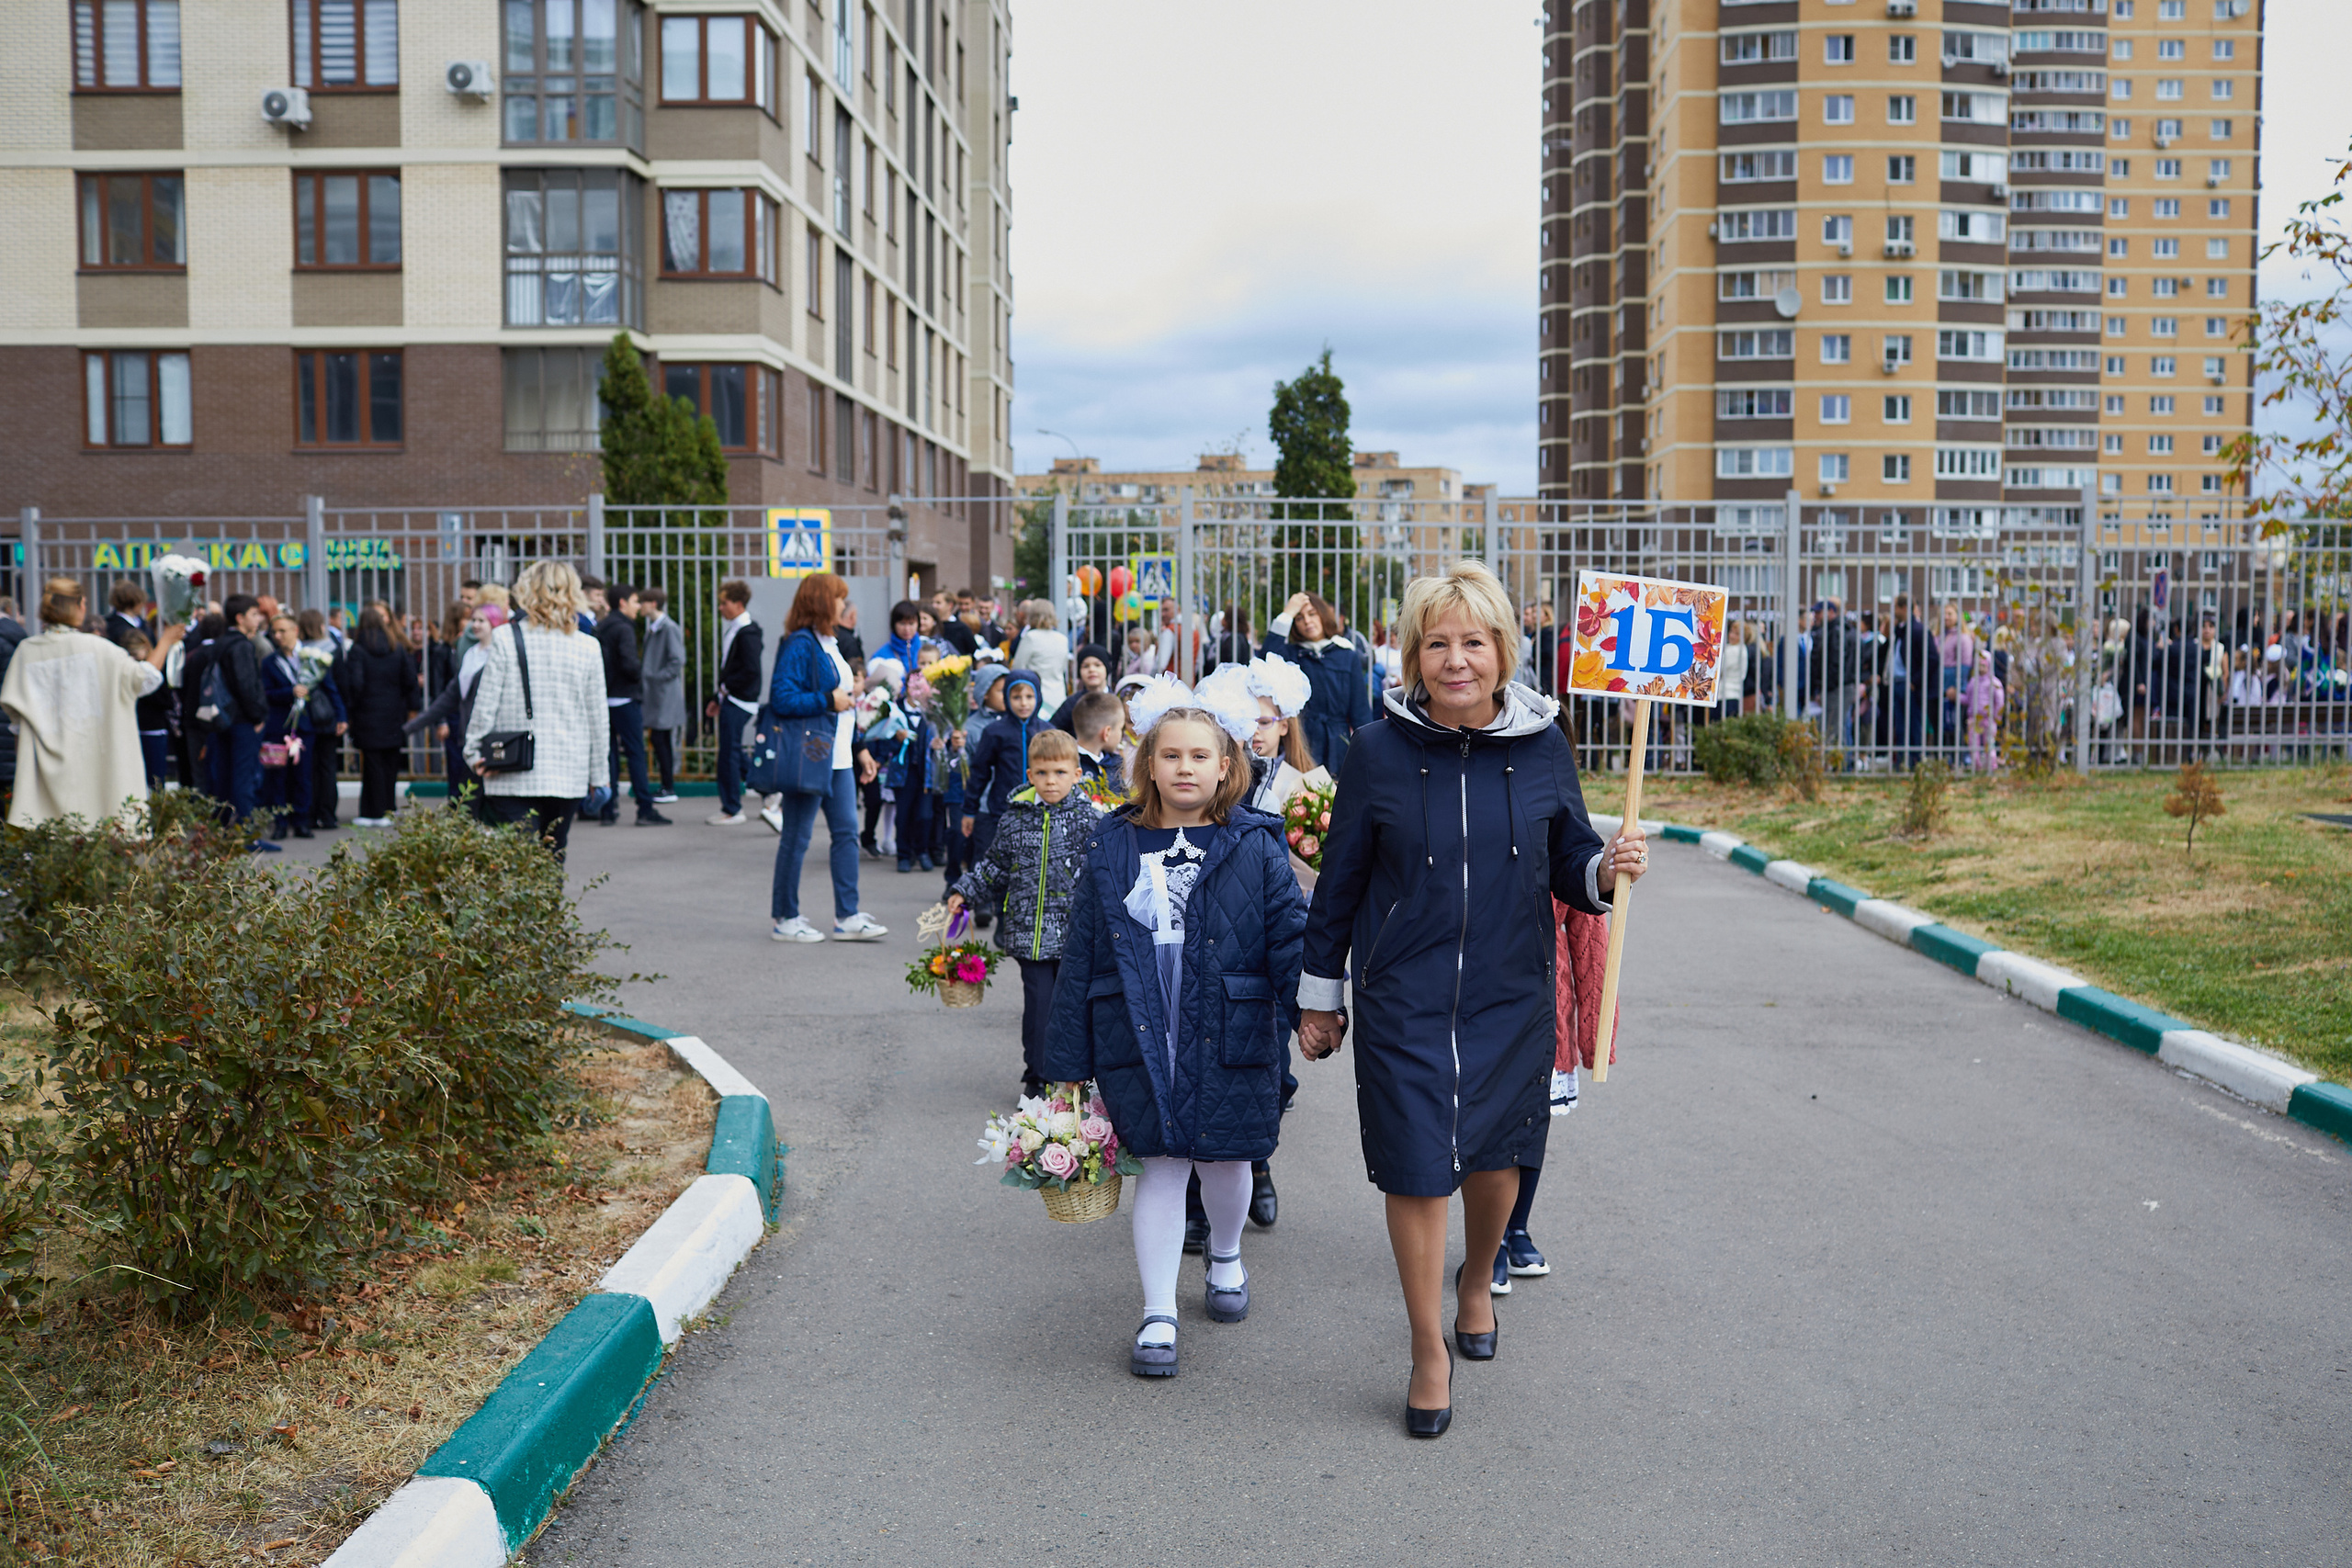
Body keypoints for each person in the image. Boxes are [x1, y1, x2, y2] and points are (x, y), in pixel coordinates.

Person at [1294, 559, 1645, 1438]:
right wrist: (1319, 994)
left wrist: (1605, 867)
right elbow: (1339, 885)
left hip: (1509, 990)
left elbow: (1570, 856)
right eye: (1439, 642)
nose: (1458, 660)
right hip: (1401, 997)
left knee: (1496, 1159)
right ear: (1413, 654)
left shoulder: (1542, 745)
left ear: (1503, 652)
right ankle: (1425, 1348)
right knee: (1415, 1164)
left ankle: (1476, 1275)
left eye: (1475, 642)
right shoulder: (1375, 751)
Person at [1039, 676, 1307, 1379]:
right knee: (1160, 1162)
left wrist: (1314, 1012)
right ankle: (1159, 1308)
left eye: (1200, 755)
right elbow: (1083, 951)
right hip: (1139, 1023)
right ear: (1147, 762)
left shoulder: (1255, 841)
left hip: (1233, 1024)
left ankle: (1225, 1255)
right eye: (1171, 755)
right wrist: (1063, 1059)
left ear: (1227, 766)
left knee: (1225, 1156)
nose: (1184, 767)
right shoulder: (1111, 844)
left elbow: (1288, 936)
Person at [948, 727, 1107, 1096]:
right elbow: (995, 866)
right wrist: (965, 891)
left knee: (1071, 1010)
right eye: (1043, 773)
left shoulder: (1090, 821)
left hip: (1074, 940)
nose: (1051, 782)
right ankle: (1036, 1075)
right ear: (1030, 775)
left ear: (1077, 774)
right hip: (1029, 936)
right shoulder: (1015, 818)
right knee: (1038, 1009)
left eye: (1060, 773)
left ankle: (1072, 1076)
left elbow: (1105, 876)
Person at [1, 577, 184, 829]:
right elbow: (145, 679)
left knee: (50, 840)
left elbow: (17, 723)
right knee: (99, 829)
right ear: (76, 606)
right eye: (84, 602)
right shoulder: (99, 649)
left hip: (44, 765)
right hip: (97, 759)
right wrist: (165, 641)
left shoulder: (27, 651)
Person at [768, 571, 888, 943]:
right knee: (797, 837)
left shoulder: (829, 641)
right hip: (813, 754)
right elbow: (782, 697)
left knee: (847, 835)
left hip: (838, 755)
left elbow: (843, 702)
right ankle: (785, 917)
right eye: (838, 598)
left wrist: (860, 747)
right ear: (822, 601)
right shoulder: (800, 643)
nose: (844, 605)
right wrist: (827, 699)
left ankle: (847, 916)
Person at [461, 561, 610, 861]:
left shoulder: (505, 638)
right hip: (568, 773)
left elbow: (485, 703)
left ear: (526, 592)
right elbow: (597, 718)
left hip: (512, 770)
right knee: (553, 857)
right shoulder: (588, 646)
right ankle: (550, 910)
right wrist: (599, 776)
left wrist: (474, 754)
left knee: (515, 867)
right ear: (573, 593)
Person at [962, 670, 1051, 923]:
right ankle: (994, 911)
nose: (1023, 703)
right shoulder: (995, 732)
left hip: (1038, 811)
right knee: (1000, 860)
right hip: (1001, 810)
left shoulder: (1046, 731)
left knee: (1027, 866)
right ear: (1006, 699)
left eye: (1029, 696)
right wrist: (969, 810)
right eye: (1016, 697)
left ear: (1038, 697)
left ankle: (1014, 917)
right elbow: (979, 772)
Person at [1262, 591, 1374, 772]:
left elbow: (1360, 712)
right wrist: (1287, 614)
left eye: (1312, 614)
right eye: (1299, 618)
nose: (1307, 621)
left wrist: (1370, 752)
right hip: (1302, 741)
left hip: (1338, 744)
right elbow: (1265, 660)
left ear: (1323, 614)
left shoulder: (1346, 655)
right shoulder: (1291, 654)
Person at [338, 604, 418, 827]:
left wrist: (350, 710)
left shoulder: (358, 650)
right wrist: (409, 708)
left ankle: (371, 812)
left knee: (372, 764)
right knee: (390, 764)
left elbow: (355, 683)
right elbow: (410, 681)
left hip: (367, 715)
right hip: (393, 713)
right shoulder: (397, 648)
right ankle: (389, 809)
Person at [595, 585, 666, 826]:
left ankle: (608, 809)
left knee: (610, 755)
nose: (638, 607)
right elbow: (629, 663)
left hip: (605, 698)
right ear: (623, 603)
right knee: (635, 753)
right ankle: (644, 809)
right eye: (636, 602)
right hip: (625, 698)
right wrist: (638, 675)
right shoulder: (624, 628)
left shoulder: (602, 626)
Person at [209, 594, 272, 830]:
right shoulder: (242, 646)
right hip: (243, 721)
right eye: (254, 615)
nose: (258, 619)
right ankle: (245, 833)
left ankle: (223, 828)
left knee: (224, 775)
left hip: (222, 719)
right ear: (240, 617)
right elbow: (246, 685)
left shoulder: (220, 642)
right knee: (243, 777)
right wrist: (257, 716)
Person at [707, 581, 764, 826]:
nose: (720, 607)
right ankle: (769, 789)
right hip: (732, 698)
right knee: (734, 752)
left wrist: (727, 689)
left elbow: (750, 670)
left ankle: (733, 808)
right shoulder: (736, 628)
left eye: (724, 603)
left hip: (740, 700)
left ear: (738, 604)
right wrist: (718, 696)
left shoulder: (747, 631)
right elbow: (731, 667)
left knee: (728, 755)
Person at [259, 614, 318, 840]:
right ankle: (280, 822)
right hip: (279, 727)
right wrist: (289, 692)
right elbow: (266, 693)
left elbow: (328, 686)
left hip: (303, 727)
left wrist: (341, 716)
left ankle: (301, 821)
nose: (278, 636)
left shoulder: (311, 658)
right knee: (278, 777)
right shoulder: (270, 662)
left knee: (303, 776)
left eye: (282, 631)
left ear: (296, 630)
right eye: (274, 632)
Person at [639, 586, 685, 804]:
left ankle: (669, 787)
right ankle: (667, 786)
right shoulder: (656, 627)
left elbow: (677, 660)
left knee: (661, 738)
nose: (639, 606)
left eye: (643, 602)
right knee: (660, 739)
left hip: (664, 694)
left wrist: (655, 677)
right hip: (658, 694)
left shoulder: (668, 628)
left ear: (653, 604)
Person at [1009, 601, 1071, 711]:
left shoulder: (1031, 637)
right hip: (1058, 694)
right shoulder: (1062, 639)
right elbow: (1063, 668)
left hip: (1035, 696)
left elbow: (1018, 668)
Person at [1049, 642, 1115, 733]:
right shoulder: (1073, 703)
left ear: (1107, 668)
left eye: (1097, 665)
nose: (1091, 670)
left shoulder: (1116, 702)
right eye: (1085, 666)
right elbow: (1052, 729)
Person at [1069, 690, 1127, 791]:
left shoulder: (1113, 762)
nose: (1121, 734)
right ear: (1107, 733)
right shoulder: (1070, 764)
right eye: (1120, 728)